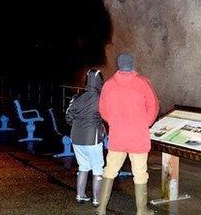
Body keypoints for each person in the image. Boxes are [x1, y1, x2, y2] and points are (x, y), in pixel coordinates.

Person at [96, 53, 159, 215]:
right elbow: (153, 107)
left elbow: (103, 110)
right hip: (138, 136)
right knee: (140, 173)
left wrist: (114, 122)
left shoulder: (109, 84)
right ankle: (141, 210)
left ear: (119, 65)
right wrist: (144, 123)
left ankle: (101, 208)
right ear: (133, 64)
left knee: (109, 170)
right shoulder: (143, 83)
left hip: (118, 135)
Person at [65, 68, 106, 205]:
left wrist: (78, 124)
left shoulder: (77, 97)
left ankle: (80, 195)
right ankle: (96, 199)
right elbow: (107, 116)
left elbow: (68, 118)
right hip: (92, 138)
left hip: (76, 137)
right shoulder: (101, 98)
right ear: (100, 82)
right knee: (98, 168)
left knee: (83, 166)